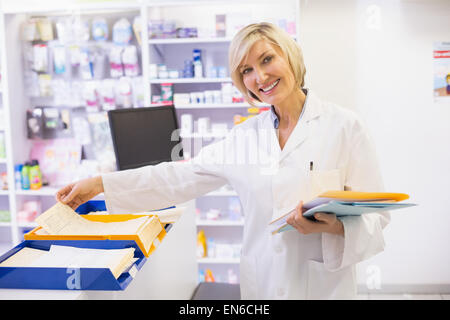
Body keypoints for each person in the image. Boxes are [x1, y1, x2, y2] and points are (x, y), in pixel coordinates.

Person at [56, 22, 390, 300]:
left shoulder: (345, 127)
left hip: (323, 288)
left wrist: (336, 226)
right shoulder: (243, 138)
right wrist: (101, 184)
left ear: (289, 55)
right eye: (246, 70)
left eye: (267, 59)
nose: (259, 77)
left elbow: (378, 215)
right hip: (262, 289)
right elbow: (179, 177)